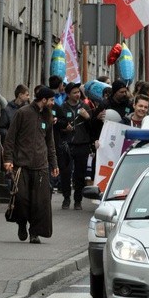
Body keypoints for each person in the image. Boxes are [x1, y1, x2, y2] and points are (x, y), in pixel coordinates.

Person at [2, 86, 60, 244]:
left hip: (41, 166)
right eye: (52, 100)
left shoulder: (48, 116)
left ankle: (34, 232)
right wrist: (8, 159)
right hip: (22, 165)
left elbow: (50, 142)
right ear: (44, 100)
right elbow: (10, 138)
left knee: (40, 203)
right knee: (21, 199)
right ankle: (21, 223)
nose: (53, 103)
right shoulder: (23, 113)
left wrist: (54, 163)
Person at [55, 82, 93, 211]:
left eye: (78, 92)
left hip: (82, 144)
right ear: (68, 94)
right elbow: (57, 124)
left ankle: (78, 200)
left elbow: (92, 128)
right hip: (67, 144)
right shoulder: (62, 108)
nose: (77, 95)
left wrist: (87, 118)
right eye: (74, 93)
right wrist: (64, 128)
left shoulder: (85, 107)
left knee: (80, 174)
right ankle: (66, 198)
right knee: (65, 172)